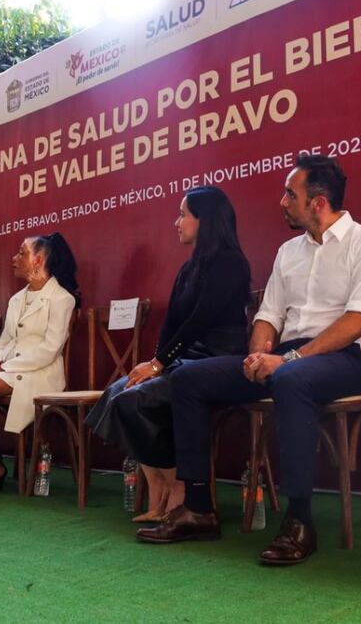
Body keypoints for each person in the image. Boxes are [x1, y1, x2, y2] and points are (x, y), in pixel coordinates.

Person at [137, 155, 361, 566]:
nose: (281, 201)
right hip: (286, 356)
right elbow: (268, 315)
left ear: (317, 202)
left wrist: (288, 359)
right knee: (188, 378)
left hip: (345, 359)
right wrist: (258, 353)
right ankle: (199, 508)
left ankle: (299, 521)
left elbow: (360, 320)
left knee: (293, 381)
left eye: (290, 193)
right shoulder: (288, 251)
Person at [86, 187, 250, 520]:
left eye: (182, 214)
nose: (176, 222)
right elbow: (172, 324)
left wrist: (160, 363)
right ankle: (158, 488)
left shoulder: (230, 262)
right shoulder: (189, 269)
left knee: (134, 400)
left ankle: (178, 488)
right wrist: (155, 362)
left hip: (217, 359)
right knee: (120, 391)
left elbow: (200, 320)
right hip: (184, 359)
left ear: (204, 220)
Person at [0, 233, 79, 497]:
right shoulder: (16, 299)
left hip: (40, 373)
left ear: (39, 260)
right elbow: (4, 341)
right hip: (9, 370)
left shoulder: (62, 299)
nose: (15, 258)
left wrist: (5, 368)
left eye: (22, 253)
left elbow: (49, 350)